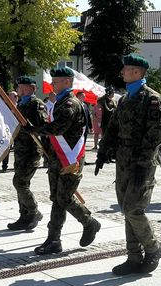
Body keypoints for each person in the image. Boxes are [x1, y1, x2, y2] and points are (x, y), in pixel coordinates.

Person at [95, 54, 161, 275]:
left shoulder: (152, 99)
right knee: (127, 210)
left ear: (137, 72)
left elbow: (156, 136)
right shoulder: (125, 98)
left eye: (126, 69)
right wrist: (103, 150)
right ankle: (134, 257)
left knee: (133, 208)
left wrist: (142, 164)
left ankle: (153, 248)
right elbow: (113, 127)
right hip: (123, 160)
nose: (123, 72)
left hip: (141, 164)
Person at [26, 67, 101, 255]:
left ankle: (89, 222)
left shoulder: (70, 104)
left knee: (64, 198)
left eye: (56, 81)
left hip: (70, 158)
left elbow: (57, 128)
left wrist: (34, 129)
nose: (52, 84)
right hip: (57, 157)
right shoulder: (60, 102)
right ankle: (53, 240)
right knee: (57, 199)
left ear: (67, 82)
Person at [7, 76, 47, 231]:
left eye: (24, 87)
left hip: (31, 151)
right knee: (22, 184)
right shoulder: (20, 105)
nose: (20, 89)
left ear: (32, 88)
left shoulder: (36, 104)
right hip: (20, 151)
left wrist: (33, 127)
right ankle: (24, 216)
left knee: (19, 182)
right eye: (19, 86)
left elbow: (43, 127)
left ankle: (34, 211)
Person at [2, 91, 18, 172]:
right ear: (9, 97)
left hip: (18, 130)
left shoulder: (20, 106)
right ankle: (4, 165)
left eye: (16, 96)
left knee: (18, 148)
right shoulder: (4, 107)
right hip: (7, 130)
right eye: (14, 96)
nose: (16, 97)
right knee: (6, 148)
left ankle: (17, 165)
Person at [76, 91, 92, 165]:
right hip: (77, 129)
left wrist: (90, 126)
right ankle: (76, 159)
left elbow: (88, 117)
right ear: (78, 97)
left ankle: (82, 159)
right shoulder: (75, 105)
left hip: (85, 128)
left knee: (83, 143)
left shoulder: (85, 105)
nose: (84, 97)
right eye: (83, 96)